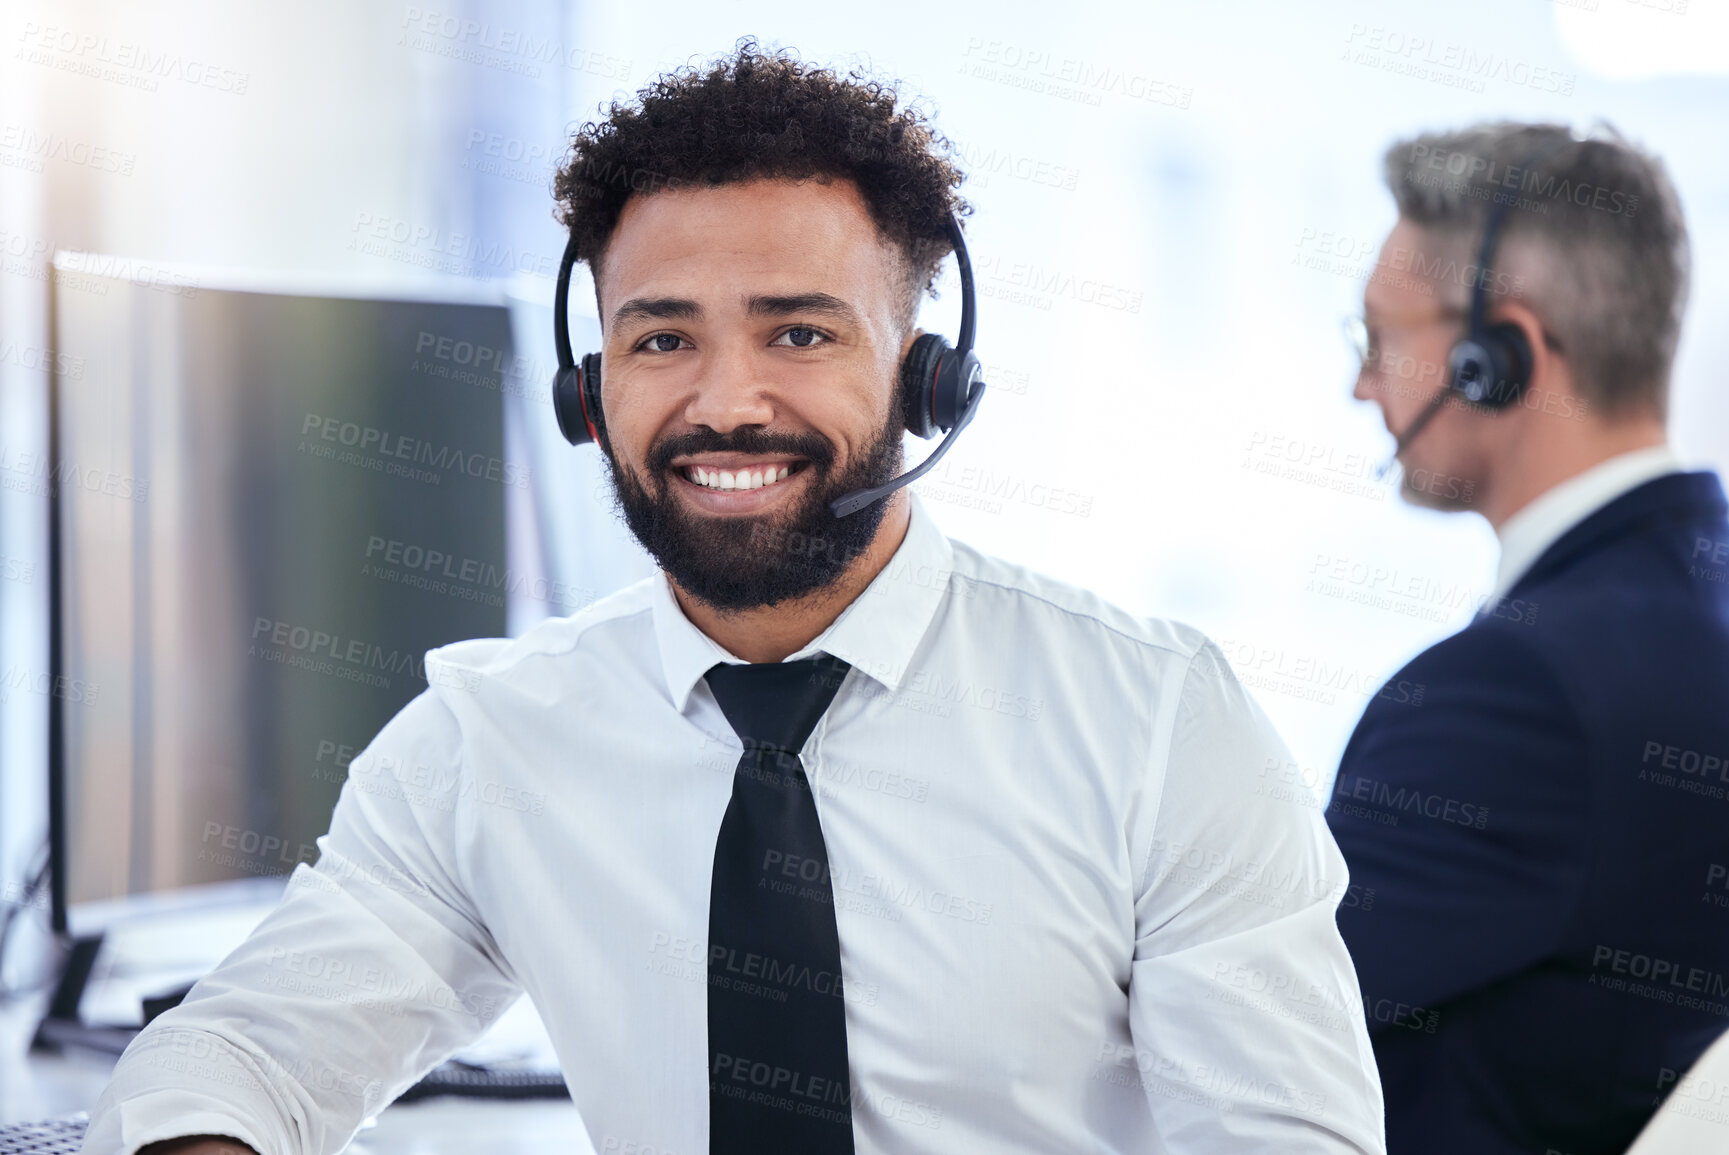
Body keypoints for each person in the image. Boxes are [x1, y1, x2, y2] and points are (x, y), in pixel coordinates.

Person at [88, 43, 1385, 1155]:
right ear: (587, 392)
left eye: (799, 332)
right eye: (661, 337)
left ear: (927, 376)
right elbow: (239, 1055)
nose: (723, 403)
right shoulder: (493, 739)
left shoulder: (1156, 723)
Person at [1328, 120, 1729, 1155]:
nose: (1362, 386)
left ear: (1493, 356)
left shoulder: (1517, 694)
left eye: (1377, 337)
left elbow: (1252, 1019)